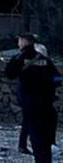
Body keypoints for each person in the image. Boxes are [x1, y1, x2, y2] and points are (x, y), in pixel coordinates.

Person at [6, 33, 60, 163]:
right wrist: (48, 84)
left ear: (24, 42)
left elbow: (9, 74)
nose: (18, 43)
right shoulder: (44, 60)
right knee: (45, 135)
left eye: (19, 41)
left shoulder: (19, 58)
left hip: (29, 101)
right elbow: (58, 78)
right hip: (46, 102)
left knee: (35, 134)